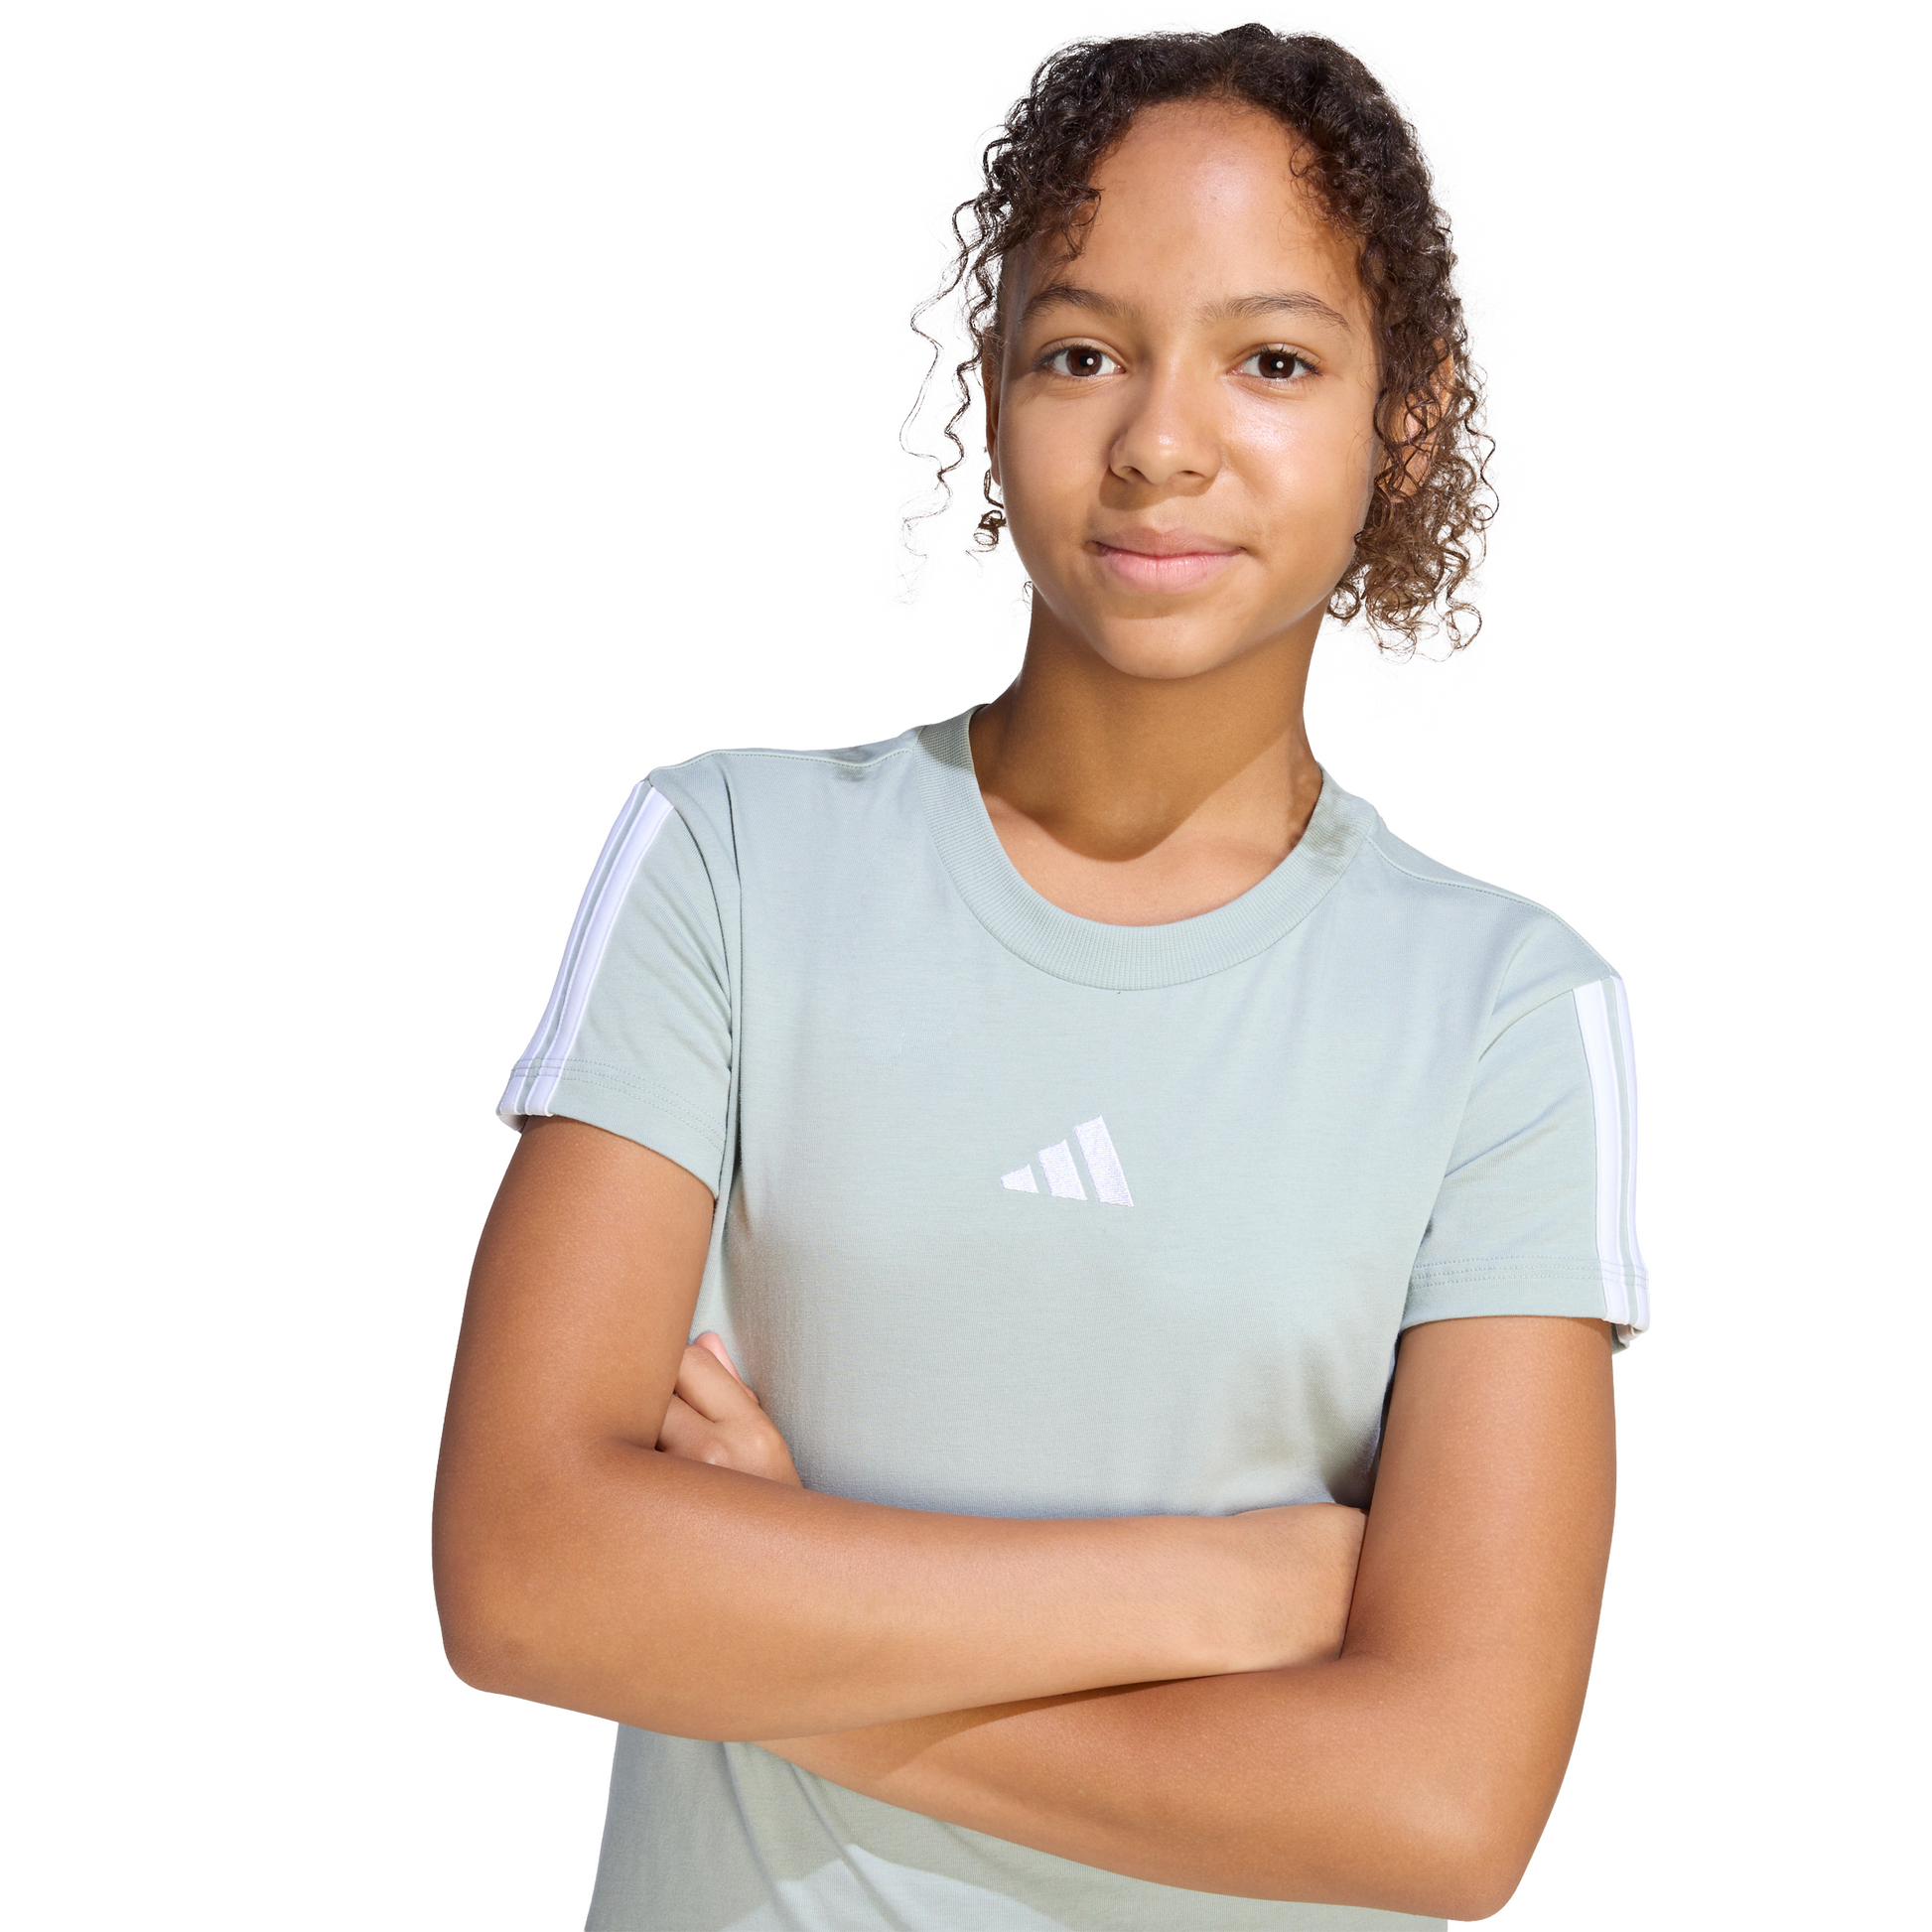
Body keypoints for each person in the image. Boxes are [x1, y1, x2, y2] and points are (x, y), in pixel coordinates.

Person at [433, 24, 1647, 1930]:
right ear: (993, 390)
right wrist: (1220, 1586)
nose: (1160, 440)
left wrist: (775, 1655)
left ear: (1400, 425)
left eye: (1271, 361)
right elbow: (520, 1574)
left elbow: (1439, 1808)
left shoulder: (1501, 1011)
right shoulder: (733, 862)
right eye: (1081, 352)